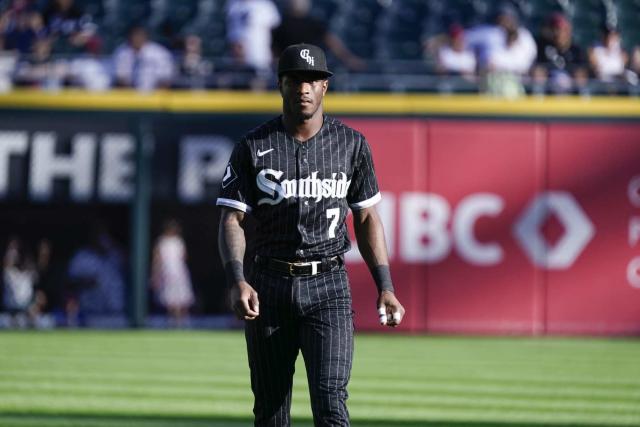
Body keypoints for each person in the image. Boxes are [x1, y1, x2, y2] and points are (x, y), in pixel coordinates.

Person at [217, 43, 405, 426]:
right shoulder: (253, 145)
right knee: (270, 410)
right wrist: (237, 279)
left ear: (324, 87)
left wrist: (385, 285)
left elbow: (367, 217)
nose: (303, 87)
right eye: (294, 79)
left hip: (329, 286)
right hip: (268, 285)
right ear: (281, 85)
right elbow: (231, 219)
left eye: (312, 79)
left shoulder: (352, 145)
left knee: (331, 403)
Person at [271, 0, 366, 72]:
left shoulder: (313, 23)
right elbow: (274, 48)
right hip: (289, 67)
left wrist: (348, 59)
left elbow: (332, 42)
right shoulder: (281, 25)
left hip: (311, 66)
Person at [150, 219, 195, 328]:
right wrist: (155, 275)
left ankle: (182, 322)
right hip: (166, 273)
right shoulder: (161, 242)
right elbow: (157, 260)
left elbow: (184, 257)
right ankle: (173, 322)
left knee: (182, 298)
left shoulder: (179, 241)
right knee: (171, 299)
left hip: (179, 272)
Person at [532, 13, 588, 94]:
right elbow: (538, 68)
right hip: (549, 90)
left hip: (571, 90)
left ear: (568, 31)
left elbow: (581, 72)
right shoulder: (543, 47)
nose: (558, 33)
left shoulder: (576, 50)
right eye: (555, 29)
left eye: (561, 29)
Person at [112, 25, 174, 91]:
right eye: (134, 36)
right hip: (129, 95)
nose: (136, 39)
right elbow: (120, 79)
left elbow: (165, 80)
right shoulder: (122, 52)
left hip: (155, 95)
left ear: (145, 37)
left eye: (139, 36)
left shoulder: (159, 53)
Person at [226, 0, 280, 75]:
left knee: (260, 81)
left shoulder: (266, 5)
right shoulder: (233, 4)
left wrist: (273, 53)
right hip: (239, 58)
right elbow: (232, 31)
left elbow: (275, 32)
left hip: (261, 56)